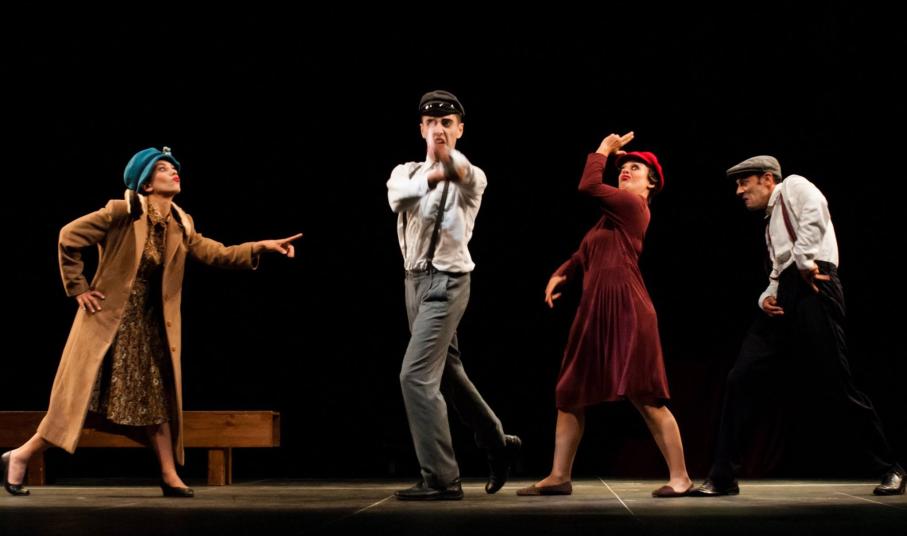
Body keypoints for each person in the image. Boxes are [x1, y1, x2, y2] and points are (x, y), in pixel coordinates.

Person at [1, 147, 301, 498]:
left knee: (157, 399)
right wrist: (78, 287)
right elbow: (69, 236)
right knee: (77, 404)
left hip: (148, 328)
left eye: (173, 168)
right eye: (162, 168)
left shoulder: (180, 223)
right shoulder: (121, 212)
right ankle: (20, 455)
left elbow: (216, 252)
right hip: (109, 325)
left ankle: (169, 475)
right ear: (145, 184)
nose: (173, 172)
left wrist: (260, 246)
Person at [690, 155, 904, 496]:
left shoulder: (793, 186)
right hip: (787, 292)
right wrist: (766, 297)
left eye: (744, 182)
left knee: (836, 383)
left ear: (767, 179)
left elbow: (816, 210)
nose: (739, 191)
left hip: (815, 284)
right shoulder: (770, 220)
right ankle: (723, 476)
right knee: (741, 377)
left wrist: (804, 260)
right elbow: (778, 268)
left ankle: (890, 467)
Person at [517, 132, 693, 498]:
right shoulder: (608, 221)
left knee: (645, 395)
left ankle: (681, 478)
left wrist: (602, 150)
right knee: (569, 392)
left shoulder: (633, 206)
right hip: (594, 310)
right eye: (623, 168)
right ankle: (559, 476)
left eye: (635, 168)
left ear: (651, 183)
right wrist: (562, 272)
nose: (625, 171)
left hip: (628, 308)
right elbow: (584, 253)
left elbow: (587, 185)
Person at [386, 90, 521, 500]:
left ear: (460, 129)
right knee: (447, 373)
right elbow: (398, 198)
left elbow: (460, 173)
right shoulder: (405, 172)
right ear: (421, 128)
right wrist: (432, 173)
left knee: (414, 376)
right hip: (413, 283)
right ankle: (497, 442)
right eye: (431, 122)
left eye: (447, 122)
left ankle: (442, 478)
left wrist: (446, 161)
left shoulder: (472, 175)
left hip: (447, 284)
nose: (439, 129)